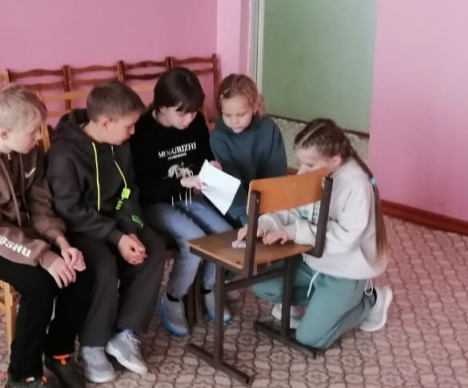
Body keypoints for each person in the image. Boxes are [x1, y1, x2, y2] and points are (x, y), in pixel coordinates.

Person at [0, 85, 92, 388]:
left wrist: (60, 242)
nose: (39, 137)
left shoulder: (28, 150)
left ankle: (58, 351)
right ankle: (22, 375)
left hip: (22, 232)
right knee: (39, 284)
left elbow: (40, 204)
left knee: (79, 269)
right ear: (4, 133)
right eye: (33, 132)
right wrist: (44, 257)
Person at [46, 80, 166, 383]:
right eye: (129, 126)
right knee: (102, 263)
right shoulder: (64, 154)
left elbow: (129, 190)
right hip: (78, 228)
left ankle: (124, 333)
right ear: (106, 123)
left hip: (116, 224)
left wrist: (130, 230)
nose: (134, 132)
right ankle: (93, 344)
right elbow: (70, 210)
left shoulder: (121, 144)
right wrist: (117, 237)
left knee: (153, 247)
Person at [242, 118, 393, 349]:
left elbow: (345, 240)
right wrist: (265, 225)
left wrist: (294, 231)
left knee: (309, 339)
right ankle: (324, 308)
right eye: (300, 163)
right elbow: (292, 210)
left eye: (310, 165)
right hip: (311, 263)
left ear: (335, 160)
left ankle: (370, 301)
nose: (302, 171)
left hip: (344, 272)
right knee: (263, 285)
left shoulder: (356, 185)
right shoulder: (314, 174)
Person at [130, 68, 233, 336]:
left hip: (188, 195)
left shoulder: (195, 122)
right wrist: (182, 183)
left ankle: (209, 288)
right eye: (181, 113)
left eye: (193, 112)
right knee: (193, 240)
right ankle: (172, 298)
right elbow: (143, 188)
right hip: (154, 202)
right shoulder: (141, 131)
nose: (189, 119)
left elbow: (203, 155)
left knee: (224, 234)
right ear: (162, 107)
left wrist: (211, 167)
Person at [209, 74, 288, 228]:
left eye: (241, 114)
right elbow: (230, 184)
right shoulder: (218, 137)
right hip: (236, 209)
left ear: (254, 107)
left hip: (268, 206)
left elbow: (276, 174)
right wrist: (249, 221)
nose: (234, 121)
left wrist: (271, 215)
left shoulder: (269, 128)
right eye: (227, 115)